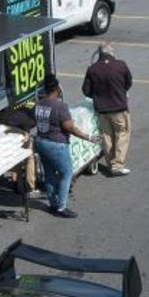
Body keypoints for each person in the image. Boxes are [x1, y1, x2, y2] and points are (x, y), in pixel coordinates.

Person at [34, 74, 96, 218]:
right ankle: (61, 207)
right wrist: (88, 137)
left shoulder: (39, 104)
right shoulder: (59, 106)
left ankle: (53, 204)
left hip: (41, 142)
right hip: (56, 145)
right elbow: (69, 127)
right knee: (66, 173)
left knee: (49, 174)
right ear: (56, 89)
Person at [82, 42, 134, 177]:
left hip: (102, 109)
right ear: (111, 53)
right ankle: (118, 165)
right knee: (122, 133)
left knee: (107, 135)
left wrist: (97, 96)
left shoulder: (92, 69)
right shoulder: (121, 65)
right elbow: (128, 82)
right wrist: (121, 92)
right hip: (119, 108)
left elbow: (86, 91)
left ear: (99, 53)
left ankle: (111, 163)